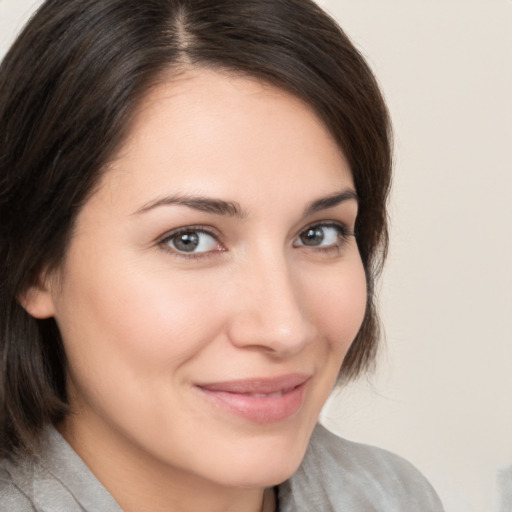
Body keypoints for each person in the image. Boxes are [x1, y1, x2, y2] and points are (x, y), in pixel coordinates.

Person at [0, 0, 444, 510]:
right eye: (189, 239)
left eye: (318, 233)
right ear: (34, 263)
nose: (285, 328)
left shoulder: (389, 495)